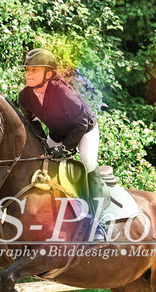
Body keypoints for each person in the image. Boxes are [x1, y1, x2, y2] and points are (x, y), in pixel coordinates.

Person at [18, 48, 106, 222]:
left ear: (49, 74)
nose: (28, 74)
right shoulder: (25, 96)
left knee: (88, 163)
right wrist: (43, 142)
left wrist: (66, 148)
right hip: (58, 133)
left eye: (34, 70)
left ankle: (99, 219)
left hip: (85, 130)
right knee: (42, 162)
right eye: (27, 70)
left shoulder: (61, 91)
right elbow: (32, 122)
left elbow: (81, 123)